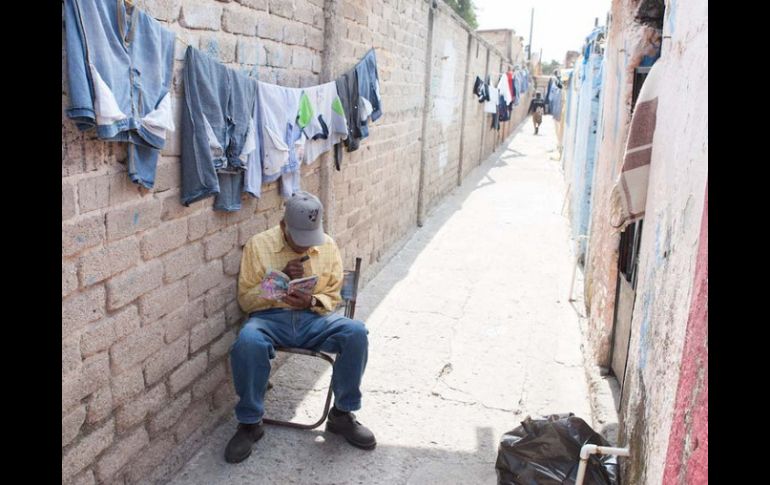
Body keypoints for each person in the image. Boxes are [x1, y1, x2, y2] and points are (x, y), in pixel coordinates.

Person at [225, 191, 376, 463]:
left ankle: (342, 414)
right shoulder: (258, 245)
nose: (306, 246)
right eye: (299, 239)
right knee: (247, 342)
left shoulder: (327, 246)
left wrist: (312, 300)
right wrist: (277, 282)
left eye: (311, 239)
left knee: (356, 332)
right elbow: (246, 301)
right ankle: (249, 422)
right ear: (284, 226)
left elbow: (334, 295)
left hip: (314, 319)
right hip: (270, 319)